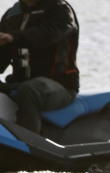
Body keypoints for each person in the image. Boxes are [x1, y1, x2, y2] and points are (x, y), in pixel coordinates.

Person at [0, 0, 79, 133]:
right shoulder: (12, 15)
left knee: (31, 90)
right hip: (18, 84)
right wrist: (9, 39)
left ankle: (26, 146)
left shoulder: (61, 10)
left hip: (60, 86)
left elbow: (49, 35)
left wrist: (14, 37)